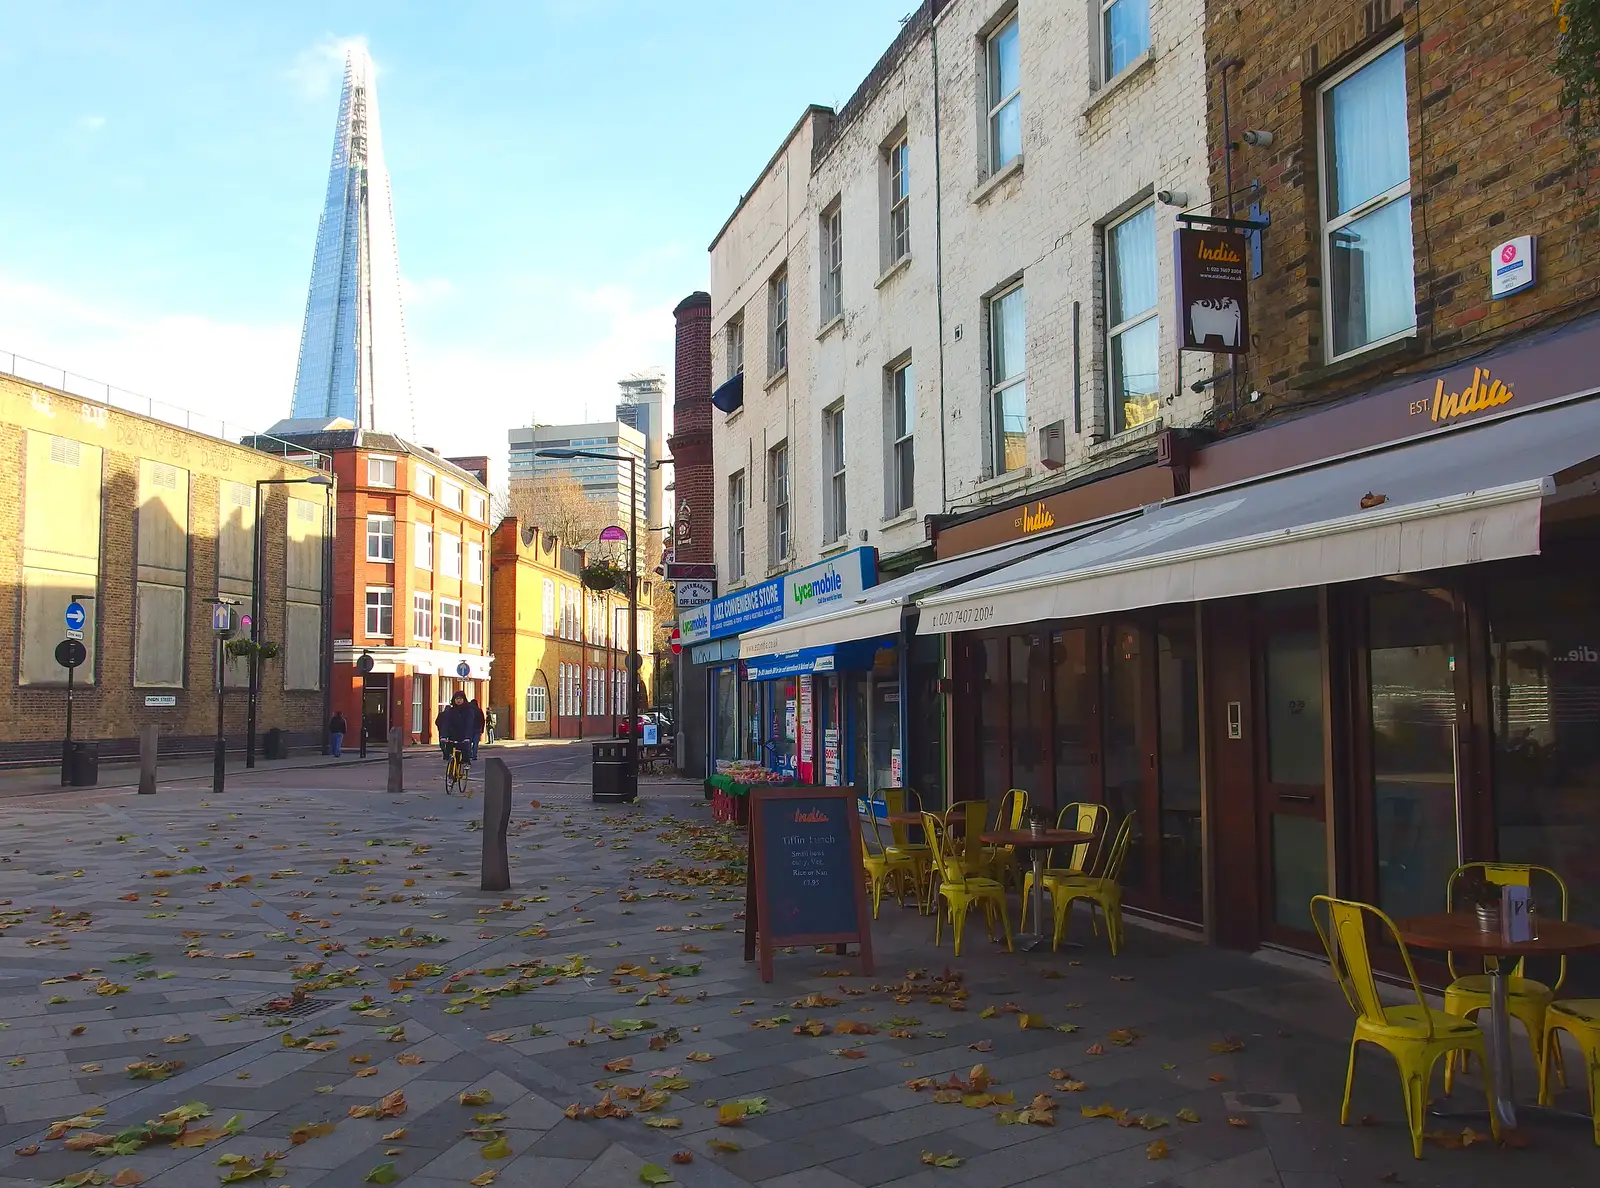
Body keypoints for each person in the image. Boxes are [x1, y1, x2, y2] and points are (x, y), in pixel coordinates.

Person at [436, 691, 474, 778]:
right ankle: (450, 766)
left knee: (465, 748)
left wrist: (468, 737)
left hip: (464, 735)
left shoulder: (468, 711)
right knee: (448, 748)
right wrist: (443, 736)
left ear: (464, 700)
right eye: (457, 699)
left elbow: (469, 724)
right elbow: (446, 724)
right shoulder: (450, 711)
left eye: (460, 699)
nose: (458, 701)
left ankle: (466, 762)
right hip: (452, 734)